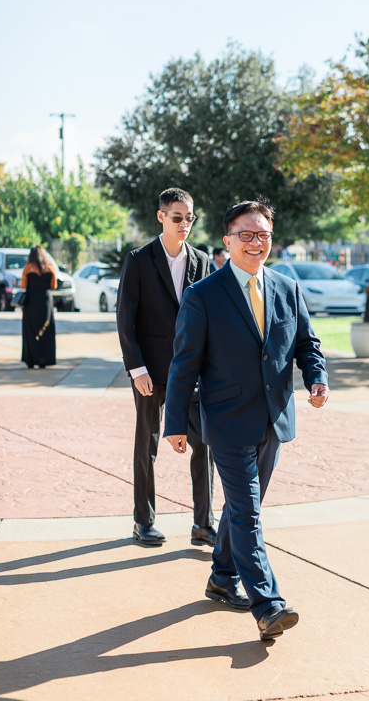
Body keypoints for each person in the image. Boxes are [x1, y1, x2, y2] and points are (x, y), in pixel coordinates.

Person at [164, 200, 329, 641]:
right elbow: (184, 363)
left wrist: (317, 378)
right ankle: (268, 605)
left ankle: (222, 577)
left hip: (274, 418)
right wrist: (175, 422)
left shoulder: (288, 288)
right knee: (248, 513)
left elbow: (306, 344)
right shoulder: (203, 295)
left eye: (263, 235)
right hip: (227, 421)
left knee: (241, 510)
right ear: (228, 240)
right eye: (246, 234)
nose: (256, 242)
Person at [117, 188, 216, 549]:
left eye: (190, 218)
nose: (184, 224)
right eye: (177, 217)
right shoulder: (139, 260)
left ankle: (203, 523)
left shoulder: (202, 261)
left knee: (204, 444)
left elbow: (210, 318)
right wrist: (136, 368)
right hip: (151, 372)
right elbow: (125, 319)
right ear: (161, 217)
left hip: (192, 372)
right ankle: (143, 522)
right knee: (148, 444)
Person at [21, 246, 58, 369]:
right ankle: (44, 359)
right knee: (45, 329)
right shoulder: (49, 267)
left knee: (30, 329)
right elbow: (53, 286)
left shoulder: (28, 267)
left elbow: (23, 285)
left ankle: (31, 360)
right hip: (45, 300)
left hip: (31, 301)